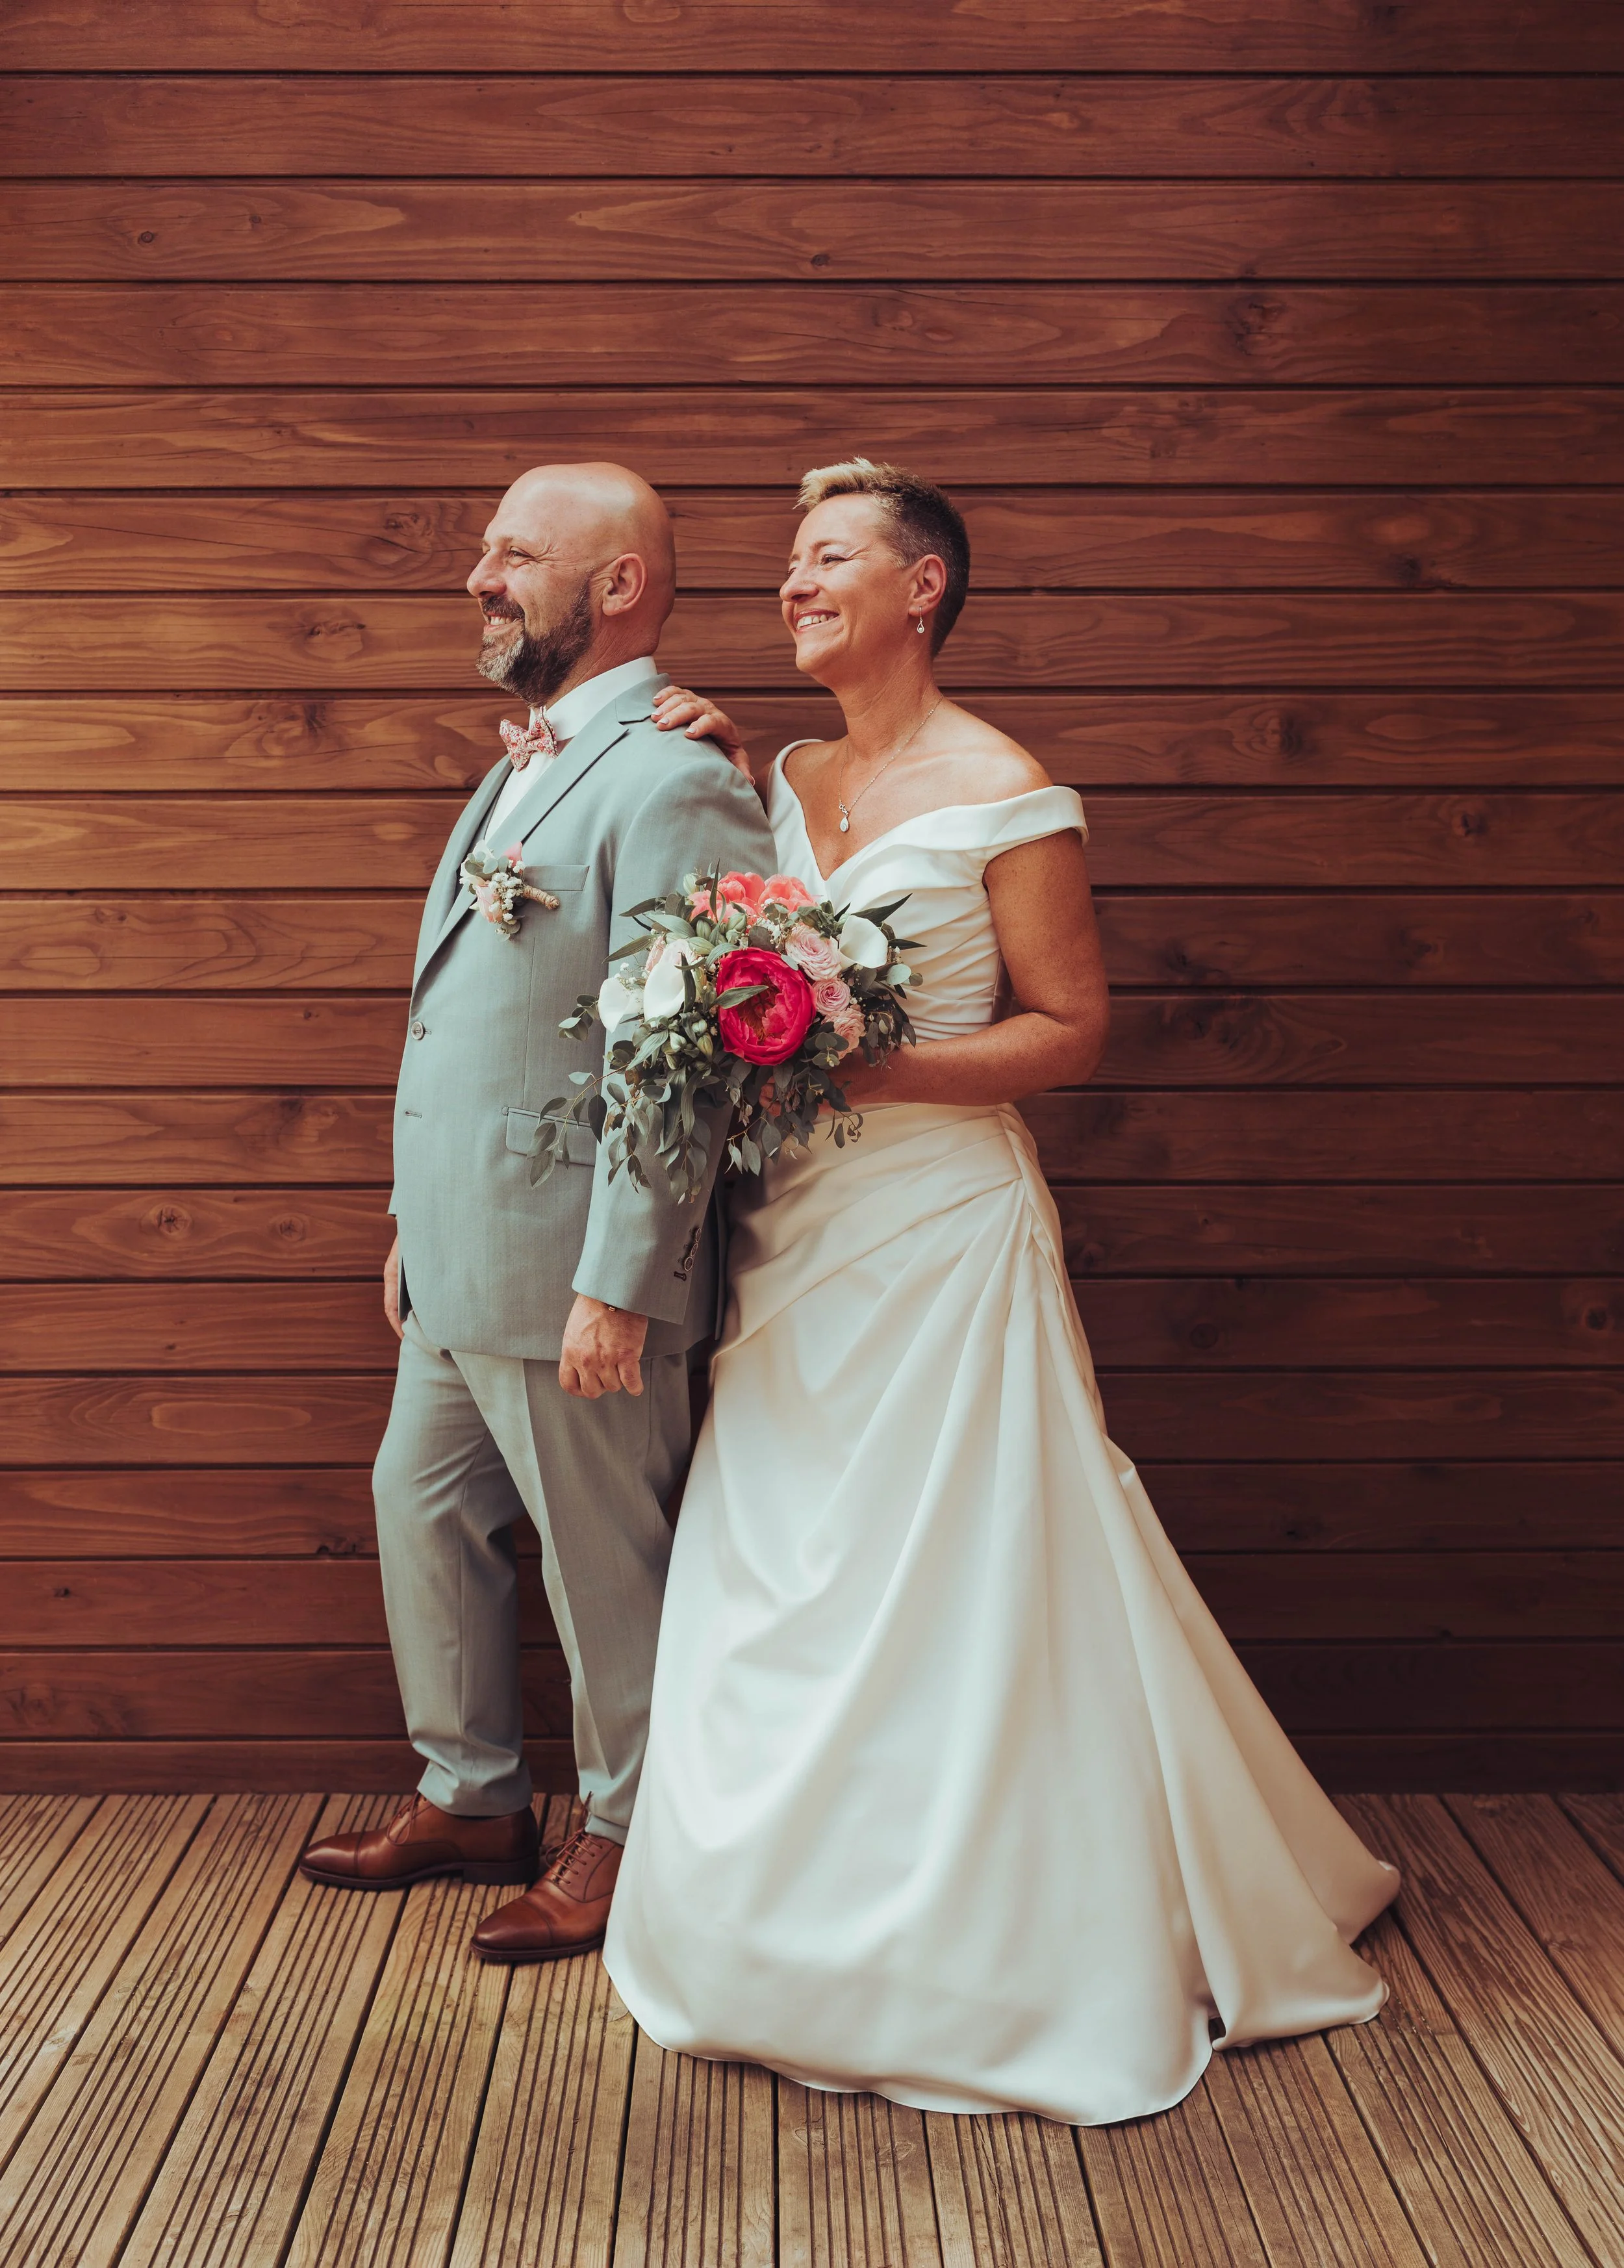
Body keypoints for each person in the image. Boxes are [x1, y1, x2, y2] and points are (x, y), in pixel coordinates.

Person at [605, 457, 1399, 2124]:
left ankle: (1001, 1938)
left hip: (938, 1234)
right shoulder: (773, 775)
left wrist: (865, 1067)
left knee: (964, 1573)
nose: (791, 582)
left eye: (828, 555)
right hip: (790, 1235)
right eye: (787, 561)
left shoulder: (1008, 792)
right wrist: (695, 769)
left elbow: (1070, 1030)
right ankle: (772, 1924)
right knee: (785, 1557)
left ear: (923, 588)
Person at [298, 461, 776, 1965]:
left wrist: (622, 1279)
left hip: (576, 1266)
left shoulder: (676, 777)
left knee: (599, 1558)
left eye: (513, 553)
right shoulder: (532, 757)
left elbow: (681, 1058)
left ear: (617, 583)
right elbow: (478, 1023)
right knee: (420, 1503)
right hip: (464, 1248)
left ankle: (630, 1830)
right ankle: (473, 1794)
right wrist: (415, 1215)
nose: (478, 576)